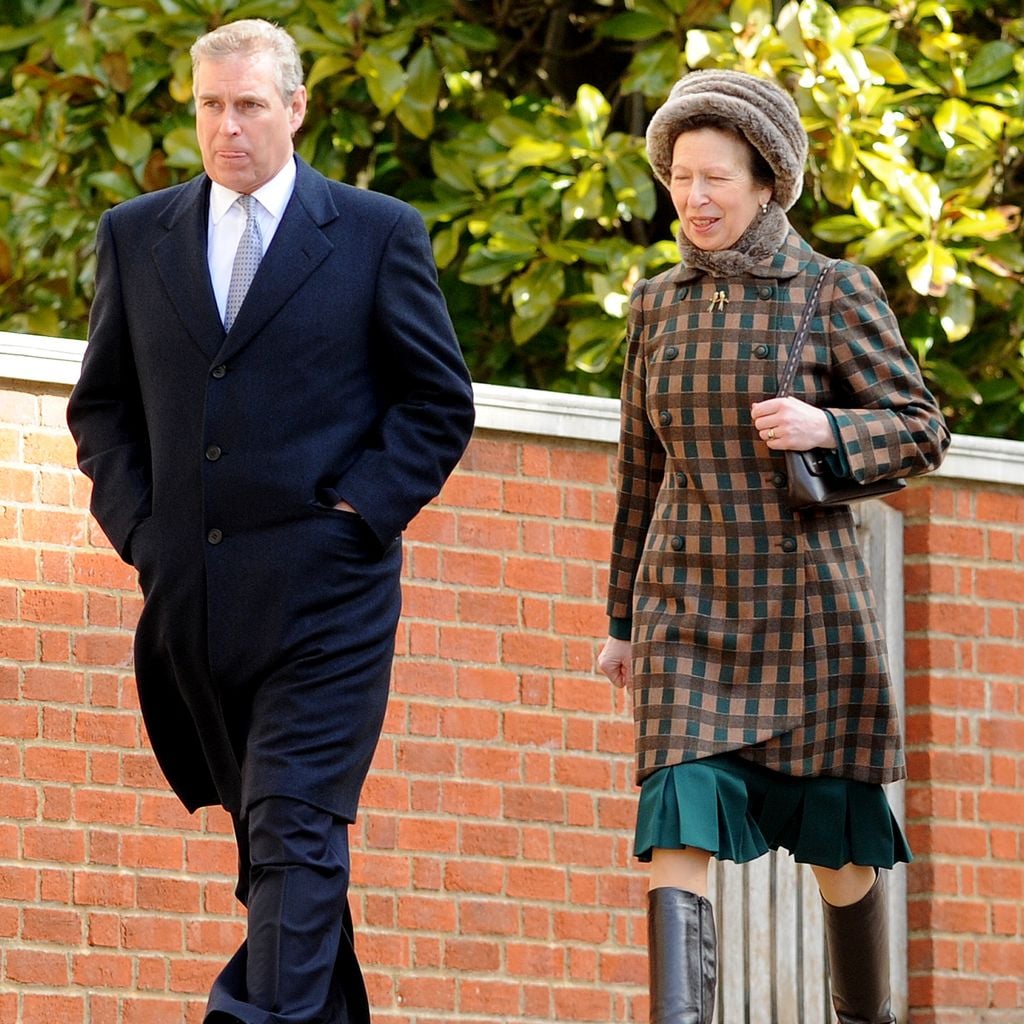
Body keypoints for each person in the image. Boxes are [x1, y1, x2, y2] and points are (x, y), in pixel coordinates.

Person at [67, 18, 475, 1024]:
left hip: (329, 598)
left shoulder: (378, 234)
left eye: (250, 105)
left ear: (296, 108)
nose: (229, 127)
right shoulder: (135, 234)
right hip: (195, 605)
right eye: (211, 106)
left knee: (293, 824)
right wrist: (145, 533)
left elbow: (436, 402)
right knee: (276, 851)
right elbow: (102, 406)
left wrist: (355, 518)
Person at [597, 70, 949, 1024]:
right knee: (676, 802)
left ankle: (862, 1016)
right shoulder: (655, 305)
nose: (694, 199)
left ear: (765, 183)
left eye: (716, 178)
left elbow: (922, 428)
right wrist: (623, 620)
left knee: (840, 848)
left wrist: (827, 429)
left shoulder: (832, 292)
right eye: (679, 178)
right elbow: (638, 471)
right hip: (686, 609)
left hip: (807, 612)